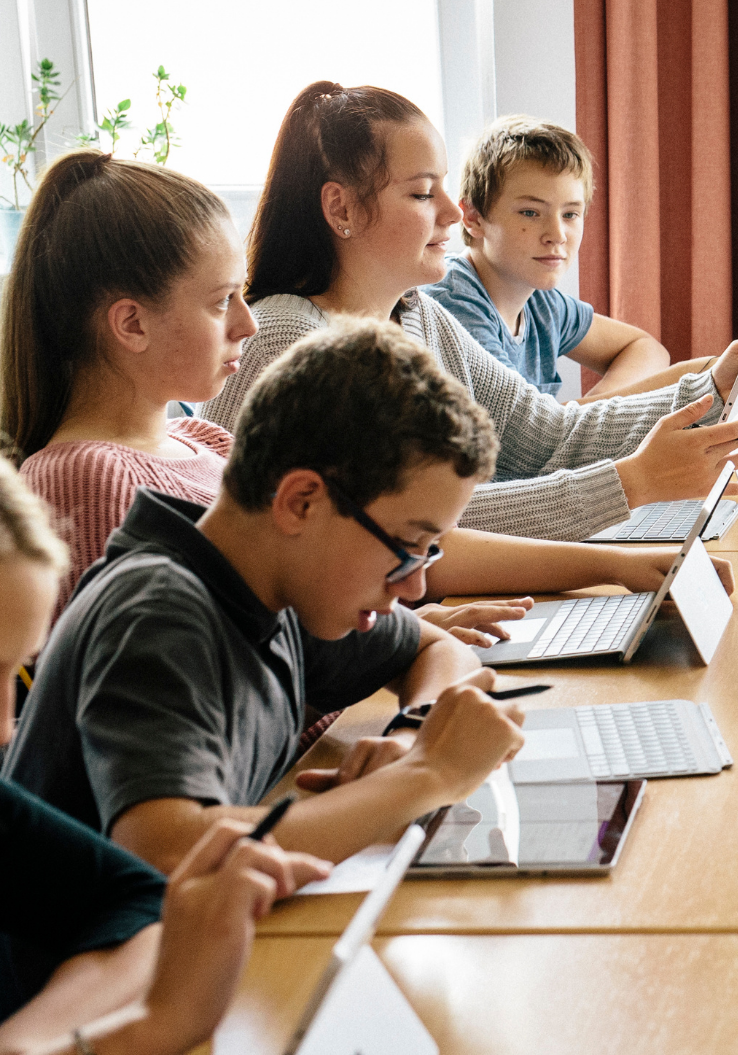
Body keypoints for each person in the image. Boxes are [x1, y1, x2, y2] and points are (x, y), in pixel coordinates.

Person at [0, 151, 731, 632]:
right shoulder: (85, 477)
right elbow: (197, 675)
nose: (246, 323)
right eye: (221, 300)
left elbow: (371, 562)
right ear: (130, 323)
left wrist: (615, 566)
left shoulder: (203, 442)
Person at [3, 322, 529, 873]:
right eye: (405, 546)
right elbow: (167, 848)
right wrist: (429, 776)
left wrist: (412, 735)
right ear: (301, 502)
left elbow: (439, 649)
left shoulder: (278, 585)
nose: (415, 585)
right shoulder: (156, 614)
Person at [202, 83, 738, 542]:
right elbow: (402, 528)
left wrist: (708, 390)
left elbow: (549, 437)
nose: (455, 213)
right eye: (423, 192)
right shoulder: (284, 342)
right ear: (341, 208)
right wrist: (632, 483)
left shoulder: (419, 318)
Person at [0, 454, 332, 1055]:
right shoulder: (156, 602)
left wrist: (47, 1039)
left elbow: (143, 896)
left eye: (13, 672)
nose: (5, 728)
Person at [424, 115, 696, 401]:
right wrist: (580, 421)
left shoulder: (540, 303)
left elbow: (646, 349)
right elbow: (528, 436)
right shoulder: (453, 304)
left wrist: (584, 413)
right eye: (530, 212)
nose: (557, 234)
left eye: (570, 214)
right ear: (473, 217)